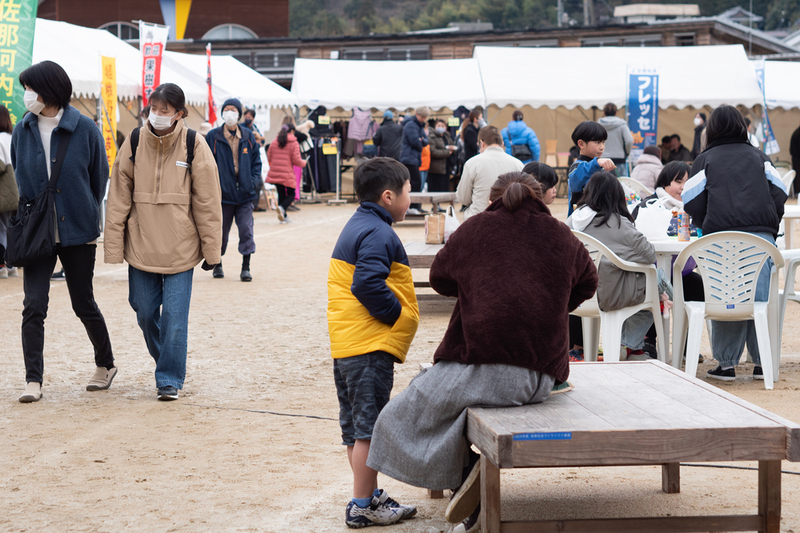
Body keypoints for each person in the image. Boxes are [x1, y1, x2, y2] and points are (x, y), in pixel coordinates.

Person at [367, 172, 598, 532]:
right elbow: (589, 280)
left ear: (493, 198)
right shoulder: (560, 233)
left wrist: (479, 287)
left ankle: (466, 476)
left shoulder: (475, 228)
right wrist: (551, 303)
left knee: (397, 416)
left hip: (492, 368)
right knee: (450, 403)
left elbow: (440, 277)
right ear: (538, 197)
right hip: (544, 377)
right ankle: (467, 486)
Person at [105, 83, 221, 401]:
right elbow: (117, 197)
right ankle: (167, 359)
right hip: (141, 244)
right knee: (144, 311)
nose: (156, 115)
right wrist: (114, 245)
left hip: (181, 248)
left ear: (179, 114)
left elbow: (208, 202)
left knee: (174, 317)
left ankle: (168, 377)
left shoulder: (195, 144)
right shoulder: (134, 140)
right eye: (153, 109)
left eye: (164, 111)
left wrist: (212, 251)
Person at [11, 60, 115, 403]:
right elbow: (19, 182)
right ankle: (33, 380)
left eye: (31, 88)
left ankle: (105, 364)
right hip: (36, 230)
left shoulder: (85, 129)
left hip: (79, 230)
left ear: (51, 89)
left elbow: (98, 180)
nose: (27, 95)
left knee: (82, 302)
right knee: (33, 305)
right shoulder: (21, 131)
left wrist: (82, 210)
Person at [327, 157, 420, 528]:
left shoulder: (357, 224)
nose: (410, 196)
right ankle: (362, 504)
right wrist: (397, 315)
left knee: (355, 428)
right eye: (408, 190)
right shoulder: (380, 233)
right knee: (370, 430)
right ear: (387, 196)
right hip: (369, 345)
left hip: (348, 344)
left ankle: (370, 493)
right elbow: (366, 284)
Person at [683, 105, 787, 382]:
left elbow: (691, 201)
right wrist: (769, 221)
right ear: (742, 126)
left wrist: (709, 220)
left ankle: (726, 365)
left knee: (726, 297)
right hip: (761, 240)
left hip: (720, 240)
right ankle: (762, 363)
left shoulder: (704, 159)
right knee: (759, 298)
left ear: (712, 129)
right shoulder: (759, 156)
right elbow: (780, 193)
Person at [567, 171, 657, 360]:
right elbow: (649, 255)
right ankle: (629, 345)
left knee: (658, 286)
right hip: (612, 295)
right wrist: (624, 256)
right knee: (657, 284)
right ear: (616, 195)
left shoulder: (573, 220)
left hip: (578, 294)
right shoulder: (618, 223)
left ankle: (629, 347)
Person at [205, 98, 262, 282]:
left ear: (238, 113)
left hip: (245, 194)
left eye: (233, 110)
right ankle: (217, 263)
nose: (229, 113)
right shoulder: (213, 136)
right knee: (220, 232)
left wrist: (252, 182)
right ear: (222, 113)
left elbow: (256, 163)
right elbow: (206, 164)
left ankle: (246, 267)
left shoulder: (248, 136)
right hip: (222, 195)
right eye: (226, 109)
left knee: (246, 230)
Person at [456, 126, 524, 219]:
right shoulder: (518, 164)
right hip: (510, 218)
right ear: (502, 144)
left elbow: (463, 198)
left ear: (481, 143)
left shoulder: (472, 163)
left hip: (478, 218)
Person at [567, 121, 616, 215]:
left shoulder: (599, 168)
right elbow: (576, 180)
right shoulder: (577, 167)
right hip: (580, 220)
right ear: (581, 144)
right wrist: (596, 163)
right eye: (597, 142)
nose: (602, 147)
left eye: (603, 142)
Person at [266, 123, 307, 223]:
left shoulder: (275, 141)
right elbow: (296, 160)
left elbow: (269, 156)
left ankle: (283, 217)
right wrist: (304, 162)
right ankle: (282, 207)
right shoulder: (293, 142)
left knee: (281, 193)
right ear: (292, 131)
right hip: (287, 172)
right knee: (291, 194)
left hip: (275, 172)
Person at [399, 106, 429, 214]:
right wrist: (420, 142)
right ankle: (413, 206)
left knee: (415, 182)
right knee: (416, 182)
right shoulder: (411, 125)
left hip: (413, 158)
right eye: (423, 117)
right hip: (409, 158)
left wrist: (421, 141)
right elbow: (415, 142)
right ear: (417, 114)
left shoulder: (418, 125)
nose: (424, 119)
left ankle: (415, 206)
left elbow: (425, 140)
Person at [0, 104, 16, 279]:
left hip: (3, 192)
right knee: (10, 227)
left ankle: (2, 265)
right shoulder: (12, 137)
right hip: (16, 190)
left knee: (1, 229)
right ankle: (11, 265)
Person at [598, 103, 633, 175]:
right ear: (616, 113)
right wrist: (627, 152)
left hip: (603, 159)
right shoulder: (622, 124)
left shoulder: (598, 125)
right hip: (619, 158)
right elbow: (629, 140)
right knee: (621, 183)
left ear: (604, 113)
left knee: (603, 184)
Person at [792, 123, 800, 195]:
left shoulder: (796, 132)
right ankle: (798, 192)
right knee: (798, 176)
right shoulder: (798, 133)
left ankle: (797, 192)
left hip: (796, 157)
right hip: (797, 158)